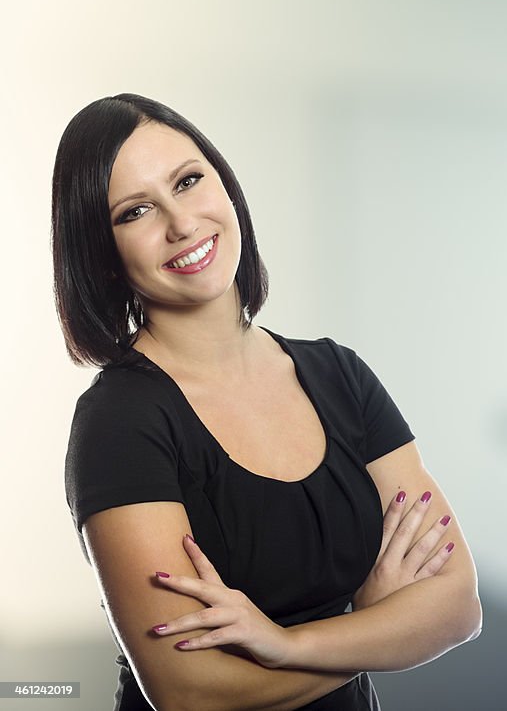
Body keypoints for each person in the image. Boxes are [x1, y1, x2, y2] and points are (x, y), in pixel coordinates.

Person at [52, 94, 483, 711]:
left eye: (189, 181)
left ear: (226, 188)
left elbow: (456, 606)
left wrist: (286, 644)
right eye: (136, 211)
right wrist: (371, 624)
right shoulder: (120, 422)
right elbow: (189, 692)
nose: (180, 223)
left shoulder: (340, 374)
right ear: (102, 254)